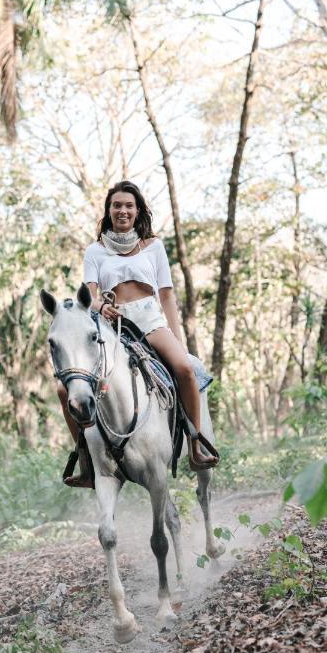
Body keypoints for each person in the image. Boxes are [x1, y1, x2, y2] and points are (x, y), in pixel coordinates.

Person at [58, 180, 219, 487]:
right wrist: (99, 308)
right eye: (117, 205)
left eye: (129, 205)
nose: (123, 210)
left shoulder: (154, 246)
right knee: (65, 390)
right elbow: (90, 294)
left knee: (185, 368)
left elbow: (167, 295)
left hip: (149, 319)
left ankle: (196, 445)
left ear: (138, 210)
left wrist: (177, 338)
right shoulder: (95, 251)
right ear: (108, 210)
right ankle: (87, 461)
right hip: (112, 324)